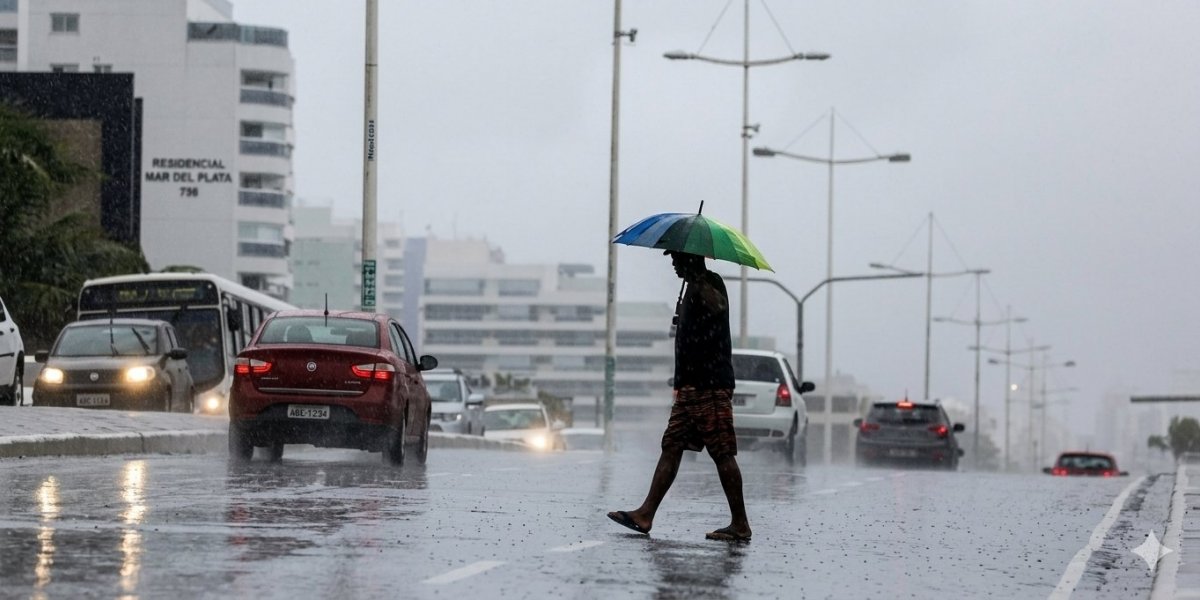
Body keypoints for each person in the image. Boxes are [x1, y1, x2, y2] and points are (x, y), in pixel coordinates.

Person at [607, 250, 751, 542]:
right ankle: (645, 514)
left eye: (677, 259)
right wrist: (680, 381)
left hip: (710, 385)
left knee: (722, 452)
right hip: (690, 387)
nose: (673, 265)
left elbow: (718, 307)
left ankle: (740, 524)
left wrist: (698, 279)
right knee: (671, 445)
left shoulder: (710, 284)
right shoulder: (689, 289)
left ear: (692, 259)